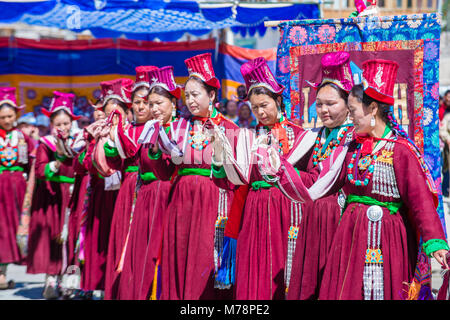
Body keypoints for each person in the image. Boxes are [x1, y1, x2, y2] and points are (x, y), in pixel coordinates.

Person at [256, 59, 449, 300]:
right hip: (350, 234)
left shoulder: (401, 150)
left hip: (387, 237)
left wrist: (436, 242)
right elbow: (320, 182)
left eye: (354, 111)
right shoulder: (352, 147)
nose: (351, 117)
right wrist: (281, 170)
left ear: (373, 110)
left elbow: (420, 201)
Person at [211, 57, 306, 299]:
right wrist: (221, 157)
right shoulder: (247, 137)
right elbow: (233, 181)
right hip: (254, 211)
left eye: (264, 105)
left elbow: (309, 179)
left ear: (278, 100)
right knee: (254, 269)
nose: (260, 112)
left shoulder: (300, 136)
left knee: (283, 268)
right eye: (255, 108)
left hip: (287, 211)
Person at [147, 53, 237, 300]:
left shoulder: (230, 129)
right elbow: (165, 173)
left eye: (196, 94)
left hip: (214, 202)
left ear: (212, 95)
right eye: (187, 95)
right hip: (181, 202)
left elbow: (237, 176)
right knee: (179, 253)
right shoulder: (176, 127)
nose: (191, 100)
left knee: (206, 257)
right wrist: (156, 152)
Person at [287, 52, 354, 300]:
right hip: (314, 219)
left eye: (331, 103)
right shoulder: (313, 136)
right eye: (320, 104)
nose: (324, 110)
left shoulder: (355, 139)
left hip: (340, 221)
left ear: (349, 104)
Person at [118, 65, 181, 300]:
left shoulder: (181, 129)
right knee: (141, 252)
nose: (152, 109)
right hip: (146, 197)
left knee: (161, 251)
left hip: (168, 197)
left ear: (173, 104)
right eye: (149, 103)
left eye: (157, 104)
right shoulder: (148, 131)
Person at [102, 67, 156, 300]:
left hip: (156, 191)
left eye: (146, 101)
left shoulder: (163, 128)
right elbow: (113, 161)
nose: (141, 107)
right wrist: (112, 141)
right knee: (126, 243)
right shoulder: (124, 130)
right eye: (137, 102)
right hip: (129, 190)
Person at [79, 78, 133, 299]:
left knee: (122, 240)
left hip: (126, 193)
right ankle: (99, 285)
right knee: (101, 241)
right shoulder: (97, 132)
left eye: (117, 113)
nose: (112, 118)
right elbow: (85, 164)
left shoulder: (132, 131)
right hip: (103, 195)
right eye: (108, 112)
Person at [26, 91, 80, 299]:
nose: (63, 128)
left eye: (66, 123)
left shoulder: (78, 142)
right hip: (51, 196)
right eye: (59, 124)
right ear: (51, 124)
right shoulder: (45, 144)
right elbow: (39, 170)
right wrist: (56, 162)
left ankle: (68, 280)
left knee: (70, 238)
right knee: (52, 237)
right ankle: (51, 279)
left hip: (72, 195)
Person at [0, 87, 35, 290]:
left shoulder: (22, 137)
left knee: (15, 229)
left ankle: (6, 270)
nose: (6, 120)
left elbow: (33, 161)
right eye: (3, 116)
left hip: (18, 189)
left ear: (16, 115)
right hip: (1, 187)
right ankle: (1, 274)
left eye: (10, 116)